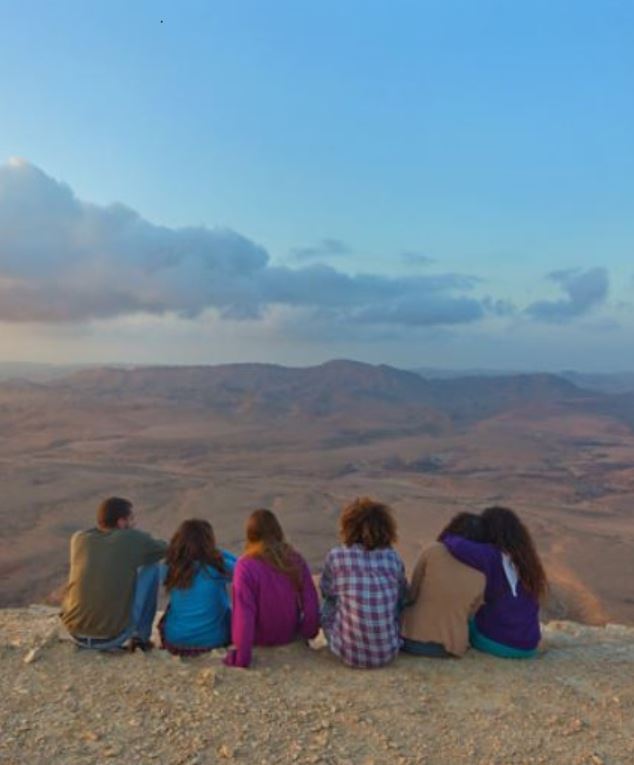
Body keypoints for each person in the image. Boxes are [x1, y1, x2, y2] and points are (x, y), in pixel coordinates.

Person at [60, 496, 167, 651]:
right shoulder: (131, 537)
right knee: (152, 566)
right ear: (121, 522)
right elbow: (165, 548)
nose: (134, 523)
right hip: (112, 638)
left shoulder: (79, 538)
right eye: (131, 519)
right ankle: (141, 638)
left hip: (74, 634)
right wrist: (142, 540)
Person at [442, 506, 547, 658]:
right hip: (529, 646)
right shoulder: (527, 561)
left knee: (466, 618)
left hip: (497, 644)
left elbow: (455, 544)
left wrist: (449, 534)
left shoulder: (491, 555)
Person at [224, 509, 319, 668]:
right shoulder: (295, 559)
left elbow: (244, 614)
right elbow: (310, 601)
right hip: (289, 634)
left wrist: (241, 657)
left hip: (259, 638)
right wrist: (308, 632)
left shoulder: (245, 565)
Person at [320, 497, 408, 668]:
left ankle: (348, 636)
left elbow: (327, 592)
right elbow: (403, 596)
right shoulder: (393, 557)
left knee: (329, 602)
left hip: (345, 652)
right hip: (387, 653)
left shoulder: (337, 556)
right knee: (395, 599)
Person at [401, 513, 486, 658]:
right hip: (450, 648)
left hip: (411, 640)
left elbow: (412, 595)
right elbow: (471, 614)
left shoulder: (432, 551)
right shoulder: (482, 572)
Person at [159, 519, 237, 656]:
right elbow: (243, 568)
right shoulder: (217, 566)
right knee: (228, 610)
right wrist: (218, 553)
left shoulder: (171, 566)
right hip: (213, 640)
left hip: (175, 641)